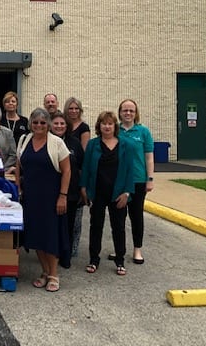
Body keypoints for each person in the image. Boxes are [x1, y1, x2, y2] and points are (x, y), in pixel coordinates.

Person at [15, 108, 71, 292]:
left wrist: (62, 196)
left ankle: (54, 274)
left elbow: (67, 171)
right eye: (35, 122)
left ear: (48, 124)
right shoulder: (24, 140)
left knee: (50, 235)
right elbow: (18, 165)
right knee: (36, 235)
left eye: (43, 122)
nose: (39, 125)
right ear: (31, 123)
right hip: (31, 196)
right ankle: (45, 271)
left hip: (51, 197)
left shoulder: (57, 143)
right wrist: (18, 186)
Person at [80, 111, 136, 276]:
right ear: (99, 126)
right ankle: (93, 259)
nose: (107, 126)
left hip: (118, 193)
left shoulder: (126, 145)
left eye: (110, 123)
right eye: (104, 123)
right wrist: (83, 187)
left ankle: (120, 260)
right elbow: (86, 168)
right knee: (95, 226)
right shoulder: (92, 144)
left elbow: (129, 171)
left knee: (118, 227)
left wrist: (127, 192)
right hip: (97, 192)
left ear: (115, 126)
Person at [113, 98, 155, 265]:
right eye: (125, 110)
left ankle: (137, 249)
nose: (128, 113)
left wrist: (150, 178)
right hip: (119, 181)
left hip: (138, 180)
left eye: (131, 110)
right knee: (118, 217)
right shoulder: (115, 131)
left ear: (136, 113)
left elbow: (149, 157)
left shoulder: (143, 132)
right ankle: (119, 250)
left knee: (136, 216)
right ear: (120, 113)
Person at [50, 112, 85, 267]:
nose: (59, 126)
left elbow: (82, 166)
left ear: (67, 125)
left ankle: (66, 256)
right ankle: (51, 254)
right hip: (50, 190)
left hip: (70, 191)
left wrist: (82, 188)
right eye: (56, 123)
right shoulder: (46, 141)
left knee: (68, 225)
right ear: (51, 125)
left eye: (62, 124)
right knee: (52, 226)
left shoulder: (75, 143)